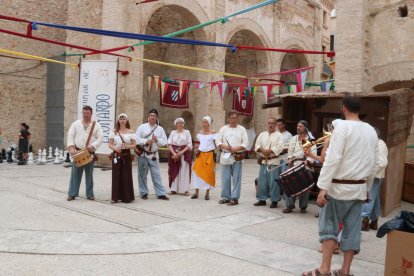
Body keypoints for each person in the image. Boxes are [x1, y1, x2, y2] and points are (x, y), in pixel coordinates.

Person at [303, 95, 378, 276]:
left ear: (343, 108)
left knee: (329, 226)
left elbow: (332, 159)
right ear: (358, 109)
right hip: (358, 190)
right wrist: (367, 188)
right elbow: (373, 163)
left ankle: (324, 269)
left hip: (338, 189)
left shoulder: (342, 127)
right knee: (353, 230)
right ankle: (345, 271)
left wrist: (322, 187)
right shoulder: (371, 131)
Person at [67, 106, 103, 201]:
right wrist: (71, 147)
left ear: (91, 114)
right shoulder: (76, 124)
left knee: (89, 174)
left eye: (88, 113)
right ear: (82, 113)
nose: (86, 115)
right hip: (78, 152)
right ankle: (72, 193)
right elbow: (70, 135)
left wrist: (93, 145)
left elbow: (100, 138)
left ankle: (90, 194)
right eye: (84, 113)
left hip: (89, 153)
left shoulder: (96, 125)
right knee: (75, 174)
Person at [215, 110, 248, 206]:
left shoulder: (242, 129)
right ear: (228, 118)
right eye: (232, 118)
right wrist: (224, 146)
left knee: (236, 179)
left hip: (237, 156)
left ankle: (234, 198)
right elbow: (218, 140)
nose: (233, 120)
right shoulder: (223, 129)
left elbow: (245, 143)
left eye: (235, 118)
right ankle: (225, 197)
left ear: (237, 118)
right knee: (225, 178)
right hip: (226, 155)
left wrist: (236, 148)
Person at [135, 108, 169, 200]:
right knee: (142, 175)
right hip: (143, 154)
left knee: (156, 175)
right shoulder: (142, 127)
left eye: (154, 116)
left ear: (157, 118)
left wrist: (157, 140)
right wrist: (146, 141)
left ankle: (161, 193)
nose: (152, 117)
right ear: (148, 117)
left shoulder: (160, 129)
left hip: (154, 155)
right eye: (151, 115)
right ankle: (144, 193)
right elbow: (136, 139)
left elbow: (165, 142)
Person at [283, 120, 316, 214]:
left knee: (304, 188)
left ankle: (303, 207)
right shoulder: (294, 138)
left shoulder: (311, 139)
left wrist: (307, 160)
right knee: (290, 186)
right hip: (293, 165)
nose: (298, 128)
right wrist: (290, 159)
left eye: (300, 126)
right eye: (298, 126)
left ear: (305, 128)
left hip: (305, 166)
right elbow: (290, 152)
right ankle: (289, 206)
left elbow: (313, 154)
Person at [361, 128, 388, 231]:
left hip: (375, 176)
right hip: (375, 175)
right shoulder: (376, 143)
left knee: (369, 197)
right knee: (375, 198)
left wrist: (370, 174)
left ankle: (364, 221)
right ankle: (374, 221)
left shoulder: (380, 144)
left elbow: (382, 162)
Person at [254, 117, 283, 208]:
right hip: (263, 161)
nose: (270, 125)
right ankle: (262, 199)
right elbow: (257, 145)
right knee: (262, 181)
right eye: (269, 123)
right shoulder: (262, 134)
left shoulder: (279, 135)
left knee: (273, 182)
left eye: (272, 123)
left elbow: (280, 147)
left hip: (273, 161)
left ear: (275, 125)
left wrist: (270, 151)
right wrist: (263, 150)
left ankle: (274, 200)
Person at [108, 113, 136, 203]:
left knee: (126, 175)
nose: (122, 120)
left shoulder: (131, 131)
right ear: (118, 121)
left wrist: (127, 146)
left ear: (126, 120)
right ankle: (115, 197)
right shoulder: (114, 132)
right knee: (116, 175)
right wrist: (115, 148)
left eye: (124, 119)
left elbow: (134, 145)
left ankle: (127, 197)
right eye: (121, 119)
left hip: (126, 154)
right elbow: (110, 144)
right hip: (117, 153)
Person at [191, 116, 217, 200]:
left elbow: (216, 143)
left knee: (209, 174)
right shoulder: (200, 133)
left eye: (205, 122)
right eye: (203, 122)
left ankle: (207, 193)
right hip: (201, 155)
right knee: (197, 173)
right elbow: (202, 144)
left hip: (209, 155)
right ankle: (196, 192)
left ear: (209, 123)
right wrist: (198, 150)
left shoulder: (213, 132)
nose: (204, 124)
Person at [167, 118, 193, 196]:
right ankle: (173, 189)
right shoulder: (172, 132)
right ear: (176, 124)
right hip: (174, 154)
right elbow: (169, 144)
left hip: (184, 153)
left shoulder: (187, 132)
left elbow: (189, 144)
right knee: (174, 170)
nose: (180, 124)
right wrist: (174, 154)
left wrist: (182, 152)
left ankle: (185, 190)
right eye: (178, 123)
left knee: (184, 171)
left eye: (181, 123)